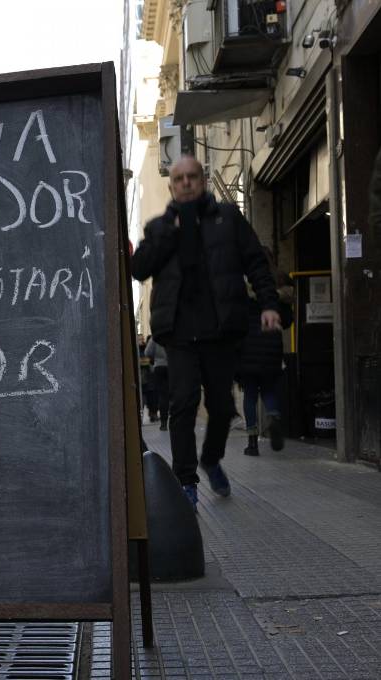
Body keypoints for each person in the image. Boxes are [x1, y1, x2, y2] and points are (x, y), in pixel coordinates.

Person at [131, 155, 280, 510]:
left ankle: (211, 459)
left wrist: (270, 303)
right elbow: (139, 269)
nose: (185, 183)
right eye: (179, 178)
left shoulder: (227, 219)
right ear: (171, 185)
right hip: (179, 334)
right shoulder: (158, 227)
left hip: (219, 330)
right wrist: (169, 232)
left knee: (223, 406)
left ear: (202, 181)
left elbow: (255, 261)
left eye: (192, 177)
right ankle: (187, 481)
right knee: (182, 403)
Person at [237, 247, 294, 456]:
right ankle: (274, 417)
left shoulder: (244, 286)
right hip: (272, 346)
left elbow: (236, 318)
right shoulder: (279, 284)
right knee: (268, 389)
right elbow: (287, 321)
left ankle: (252, 443)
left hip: (248, 348)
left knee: (250, 394)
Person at [144, 336, 170, 431]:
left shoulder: (155, 336)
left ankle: (163, 423)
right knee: (174, 394)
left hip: (159, 367)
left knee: (163, 396)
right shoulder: (172, 333)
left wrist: (154, 358)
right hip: (172, 367)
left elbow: (147, 352)